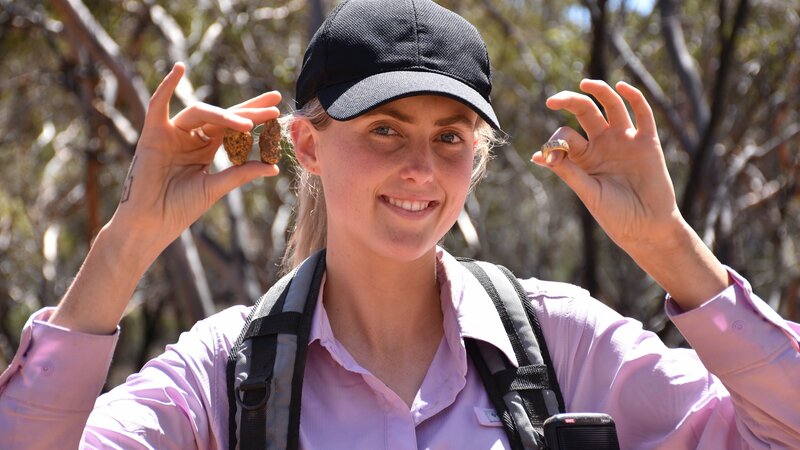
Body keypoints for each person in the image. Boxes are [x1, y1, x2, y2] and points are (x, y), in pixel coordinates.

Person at [1, 0, 799, 448]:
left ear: (477, 159)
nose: (420, 167)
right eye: (384, 128)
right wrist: (132, 235)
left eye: (450, 136)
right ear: (308, 145)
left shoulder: (563, 343)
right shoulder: (225, 376)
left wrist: (669, 246)